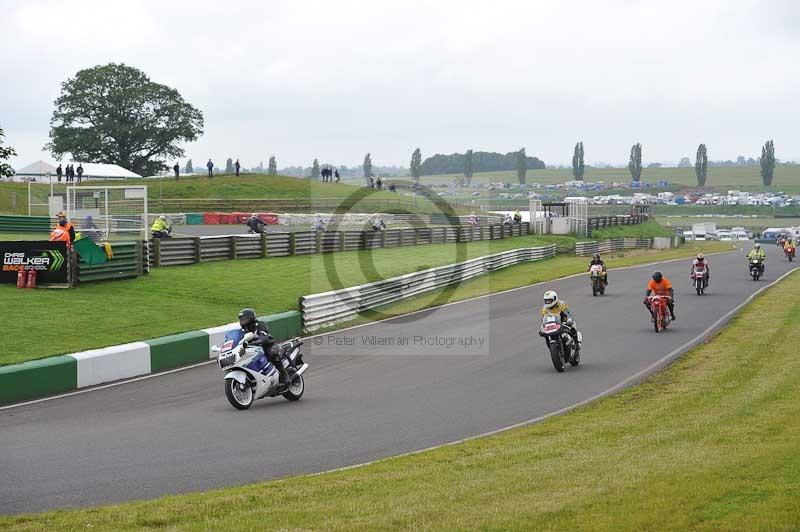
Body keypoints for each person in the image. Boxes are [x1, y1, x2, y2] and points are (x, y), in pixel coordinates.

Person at [238, 308, 294, 384]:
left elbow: (264, 334)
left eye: (244, 319)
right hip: (253, 349)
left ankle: (284, 373)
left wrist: (260, 339)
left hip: (267, 345)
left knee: (272, 353)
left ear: (250, 318)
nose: (242, 321)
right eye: (241, 319)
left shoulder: (260, 324)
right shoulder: (243, 330)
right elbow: (238, 340)